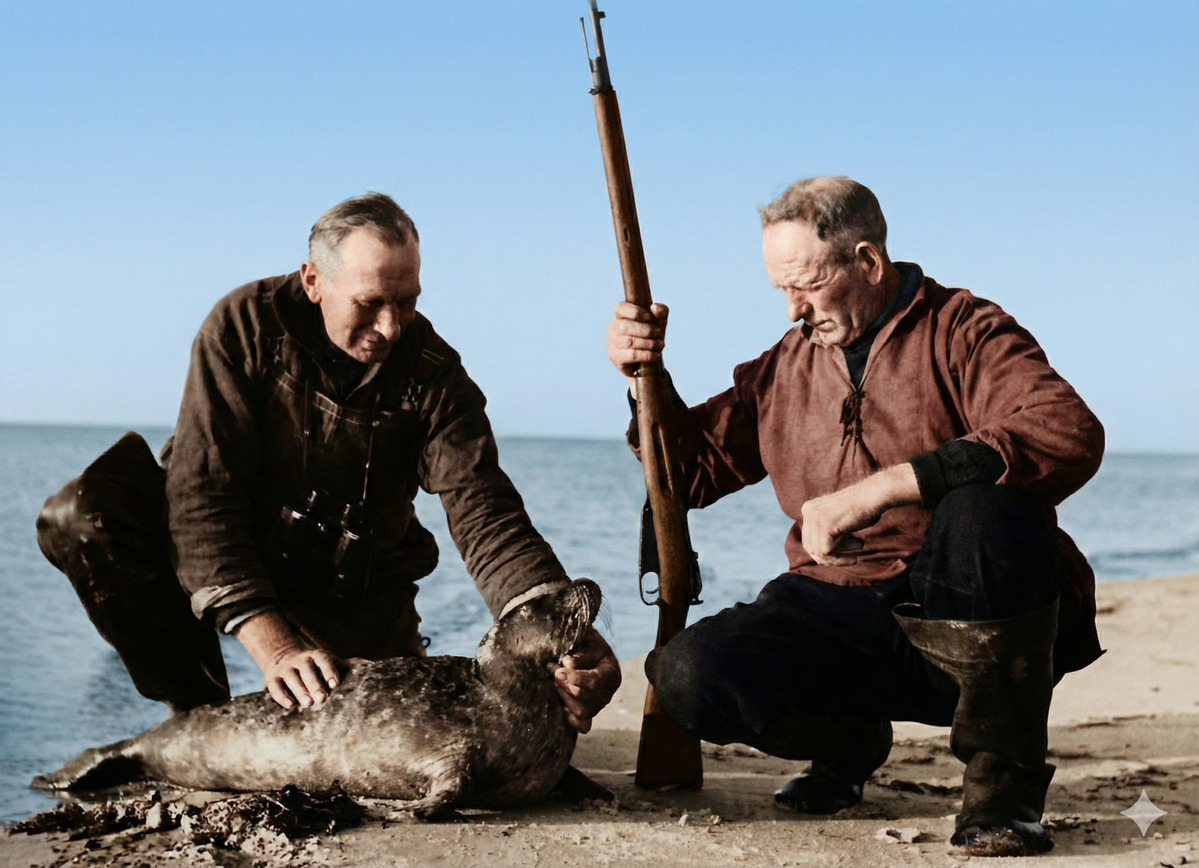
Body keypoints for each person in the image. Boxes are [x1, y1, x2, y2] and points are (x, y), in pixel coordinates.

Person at [605, 177, 1103, 857]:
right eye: (779, 288)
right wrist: (644, 378)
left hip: (967, 610)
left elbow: (1065, 431)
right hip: (838, 603)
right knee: (688, 674)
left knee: (981, 508)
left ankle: (1002, 789)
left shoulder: (965, 329)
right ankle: (847, 741)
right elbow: (687, 475)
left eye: (805, 284)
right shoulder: (781, 366)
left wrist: (882, 489)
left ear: (866, 262)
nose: (790, 311)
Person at [37, 192, 619, 741]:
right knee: (81, 514)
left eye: (408, 301)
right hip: (227, 553)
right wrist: (275, 648)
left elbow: (484, 512)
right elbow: (202, 496)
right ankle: (198, 714)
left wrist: (558, 629)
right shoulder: (240, 328)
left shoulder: (437, 375)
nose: (391, 327)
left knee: (393, 736)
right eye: (370, 304)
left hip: (351, 587)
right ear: (314, 281)